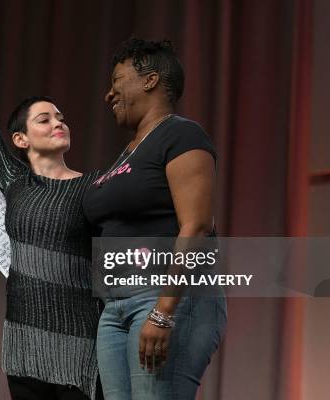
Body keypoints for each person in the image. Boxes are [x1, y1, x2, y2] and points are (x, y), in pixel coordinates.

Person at [0, 16, 101, 400]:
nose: (58, 122)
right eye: (45, 119)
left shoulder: (94, 186)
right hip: (23, 345)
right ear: (20, 139)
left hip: (80, 347)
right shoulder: (16, 182)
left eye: (61, 117)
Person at [82, 38, 227, 399]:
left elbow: (196, 228)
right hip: (116, 307)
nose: (108, 94)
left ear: (149, 81)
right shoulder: (127, 154)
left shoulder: (181, 135)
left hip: (165, 297)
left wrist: (164, 312)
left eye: (117, 81)